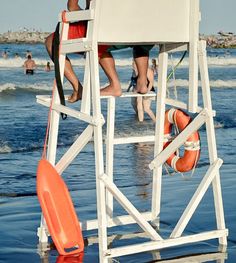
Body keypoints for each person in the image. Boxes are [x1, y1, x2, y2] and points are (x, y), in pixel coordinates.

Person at [45, 0, 152, 102]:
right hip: (138, 31)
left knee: (51, 42)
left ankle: (78, 89)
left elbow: (72, 7)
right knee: (140, 33)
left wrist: (89, 17)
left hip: (103, 31)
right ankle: (141, 80)